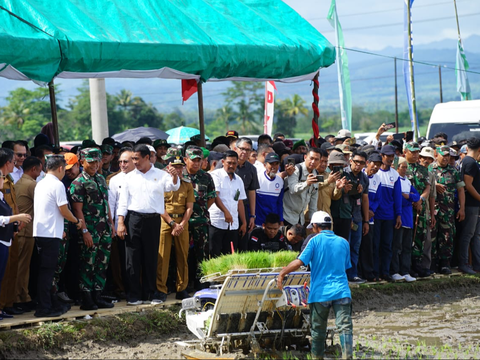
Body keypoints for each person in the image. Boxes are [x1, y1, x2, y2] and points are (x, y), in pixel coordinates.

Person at [278, 211, 353, 360]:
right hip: (342, 291)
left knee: (318, 330)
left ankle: (317, 357)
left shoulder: (314, 241)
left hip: (320, 293)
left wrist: (282, 273)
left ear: (316, 226)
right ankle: (348, 357)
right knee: (345, 327)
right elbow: (345, 266)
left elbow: (300, 262)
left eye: (312, 227)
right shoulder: (344, 242)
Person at [116, 144, 179, 305]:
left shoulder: (160, 174)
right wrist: (121, 222)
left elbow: (172, 187)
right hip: (133, 219)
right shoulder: (129, 177)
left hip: (152, 219)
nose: (134, 162)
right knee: (132, 258)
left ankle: (150, 293)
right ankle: (134, 295)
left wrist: (174, 176)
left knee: (150, 257)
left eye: (137, 158)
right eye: (133, 159)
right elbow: (122, 202)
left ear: (147, 157)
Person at [33, 155, 83, 317]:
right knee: (47, 273)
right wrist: (76, 221)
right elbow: (63, 209)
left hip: (43, 232)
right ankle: (44, 308)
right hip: (49, 234)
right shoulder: (57, 185)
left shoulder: (40, 183)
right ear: (60, 168)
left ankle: (47, 305)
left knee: (45, 272)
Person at [70, 148, 116, 310]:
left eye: (97, 161)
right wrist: (84, 231)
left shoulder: (101, 179)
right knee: (88, 263)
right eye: (91, 162)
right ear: (82, 162)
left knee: (102, 263)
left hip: (104, 229)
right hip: (90, 229)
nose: (95, 165)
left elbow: (106, 203)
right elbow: (77, 210)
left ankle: (98, 295)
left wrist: (111, 224)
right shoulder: (79, 182)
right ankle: (87, 298)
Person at [156, 154, 194, 302]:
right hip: (165, 221)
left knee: (182, 256)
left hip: (182, 222)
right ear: (168, 168)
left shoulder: (187, 185)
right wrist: (172, 223)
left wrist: (181, 225)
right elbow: (160, 206)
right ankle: (161, 289)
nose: (177, 170)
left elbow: (189, 208)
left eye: (180, 167)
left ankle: (181, 288)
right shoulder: (162, 184)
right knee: (162, 257)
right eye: (174, 167)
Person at [332, 151, 369, 284]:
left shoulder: (364, 178)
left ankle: (353, 274)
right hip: (343, 216)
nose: (358, 165)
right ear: (351, 160)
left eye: (362, 163)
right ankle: (341, 275)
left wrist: (366, 221)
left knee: (355, 247)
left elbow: (365, 200)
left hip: (357, 216)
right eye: (356, 162)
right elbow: (334, 194)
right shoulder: (342, 173)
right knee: (343, 247)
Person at [183, 146, 217, 291]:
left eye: (199, 160)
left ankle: (200, 284)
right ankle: (183, 284)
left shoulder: (206, 177)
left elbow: (211, 198)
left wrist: (200, 212)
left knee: (201, 254)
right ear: (185, 160)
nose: (196, 163)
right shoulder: (180, 175)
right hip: (183, 222)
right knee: (183, 254)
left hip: (201, 221)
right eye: (193, 160)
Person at [0, 167, 32, 321]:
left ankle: (3, 306)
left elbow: (10, 211)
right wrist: (16, 218)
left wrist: (15, 224)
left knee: (6, 273)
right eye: (1, 177)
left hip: (6, 238)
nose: (3, 179)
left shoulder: (1, 195)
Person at [429, 146, 465, 274]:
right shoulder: (430, 169)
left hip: (448, 211)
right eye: (443, 155)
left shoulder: (453, 171)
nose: (445, 158)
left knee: (447, 237)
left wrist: (462, 209)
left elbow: (461, 190)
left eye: (447, 156)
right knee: (432, 237)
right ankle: (431, 264)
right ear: (436, 155)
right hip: (433, 210)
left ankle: (445, 264)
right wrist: (435, 185)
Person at [14, 157, 41, 311]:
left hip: (23, 230)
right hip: (25, 231)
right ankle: (19, 298)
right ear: (34, 169)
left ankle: (23, 296)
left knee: (22, 267)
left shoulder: (20, 182)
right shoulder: (31, 184)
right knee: (22, 268)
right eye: (40, 169)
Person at [107, 147, 135, 299]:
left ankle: (135, 288)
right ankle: (120, 289)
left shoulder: (140, 176)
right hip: (119, 221)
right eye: (120, 162)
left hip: (136, 220)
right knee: (119, 259)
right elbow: (111, 204)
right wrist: (113, 224)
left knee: (134, 258)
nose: (123, 165)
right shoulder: (114, 179)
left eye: (126, 161)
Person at [208, 150, 247, 257]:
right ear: (223, 162)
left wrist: (244, 222)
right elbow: (214, 196)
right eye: (229, 162)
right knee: (214, 255)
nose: (231, 166)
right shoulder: (215, 175)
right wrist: (225, 212)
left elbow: (240, 202)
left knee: (230, 256)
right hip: (216, 222)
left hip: (233, 225)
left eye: (234, 163)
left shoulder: (238, 180)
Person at [373, 145, 402, 282]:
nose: (390, 159)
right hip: (376, 215)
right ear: (382, 156)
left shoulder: (395, 175)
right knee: (375, 244)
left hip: (389, 216)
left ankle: (385, 272)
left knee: (387, 245)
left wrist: (398, 215)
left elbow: (397, 197)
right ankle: (375, 272)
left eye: (392, 156)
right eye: (388, 156)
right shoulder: (375, 173)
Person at [0, 147, 23, 316]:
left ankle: (7, 303)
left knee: (10, 269)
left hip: (9, 232)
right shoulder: (2, 179)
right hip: (2, 233)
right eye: (14, 161)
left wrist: (15, 224)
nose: (15, 165)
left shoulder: (8, 179)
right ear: (7, 162)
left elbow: (11, 207)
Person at [404, 142, 431, 278]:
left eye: (417, 152)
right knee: (409, 237)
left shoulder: (423, 169)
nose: (415, 155)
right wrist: (414, 200)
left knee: (420, 235)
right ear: (405, 152)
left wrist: (421, 199)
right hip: (407, 207)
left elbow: (427, 187)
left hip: (420, 208)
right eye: (412, 152)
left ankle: (417, 264)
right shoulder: (402, 167)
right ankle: (407, 266)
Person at [390, 157, 419, 282]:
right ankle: (395, 271)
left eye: (406, 167)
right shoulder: (395, 181)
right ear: (397, 167)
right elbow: (398, 199)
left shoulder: (407, 181)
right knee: (397, 246)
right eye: (403, 167)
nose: (405, 169)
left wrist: (408, 196)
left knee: (407, 247)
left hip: (408, 218)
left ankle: (405, 271)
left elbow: (416, 195)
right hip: (400, 216)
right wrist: (408, 198)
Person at [359, 152, 382, 282]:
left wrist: (371, 210)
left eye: (379, 165)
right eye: (374, 164)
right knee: (358, 246)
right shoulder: (360, 175)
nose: (376, 167)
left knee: (369, 245)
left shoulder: (377, 178)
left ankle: (369, 272)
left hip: (370, 217)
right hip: (358, 215)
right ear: (368, 162)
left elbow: (378, 198)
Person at [232, 138, 259, 251]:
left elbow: (252, 192)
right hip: (227, 209)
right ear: (235, 149)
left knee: (242, 243)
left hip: (243, 209)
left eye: (248, 150)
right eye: (242, 149)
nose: (244, 152)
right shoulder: (225, 164)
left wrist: (252, 216)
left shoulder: (251, 169)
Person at [283, 148, 321, 226]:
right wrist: (307, 183)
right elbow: (293, 189)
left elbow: (313, 200)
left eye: (316, 159)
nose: (313, 162)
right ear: (305, 157)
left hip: (300, 219)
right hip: (287, 217)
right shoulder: (296, 169)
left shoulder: (315, 173)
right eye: (311, 158)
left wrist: (313, 221)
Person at [255, 152, 284, 227]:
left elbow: (279, 203)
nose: (274, 166)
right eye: (271, 164)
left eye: (276, 164)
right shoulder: (257, 178)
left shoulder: (280, 181)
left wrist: (280, 220)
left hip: (273, 224)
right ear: (265, 165)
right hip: (258, 221)